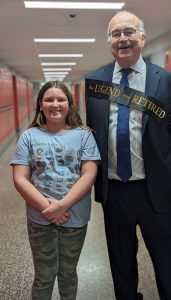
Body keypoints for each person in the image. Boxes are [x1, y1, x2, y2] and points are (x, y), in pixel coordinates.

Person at [85, 10, 171, 300]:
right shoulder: (95, 82)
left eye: (129, 32)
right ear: (109, 41)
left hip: (159, 190)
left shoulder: (167, 81)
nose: (123, 39)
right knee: (122, 268)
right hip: (115, 193)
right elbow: (94, 134)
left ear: (142, 38)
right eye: (115, 34)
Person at [10, 81, 100, 300]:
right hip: (40, 218)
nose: (55, 104)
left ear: (69, 104)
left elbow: (89, 174)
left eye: (61, 99)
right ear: (41, 104)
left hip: (74, 217)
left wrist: (61, 206)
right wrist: (47, 208)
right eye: (49, 99)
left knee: (68, 274)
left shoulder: (84, 135)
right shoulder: (29, 136)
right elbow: (20, 178)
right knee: (44, 275)